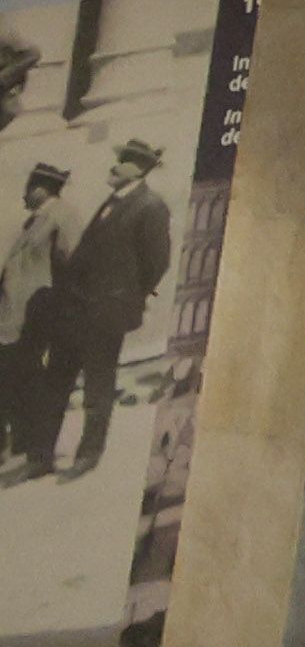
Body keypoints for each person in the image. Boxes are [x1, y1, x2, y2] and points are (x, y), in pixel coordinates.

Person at [60, 139, 177, 478]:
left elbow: (157, 262)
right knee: (67, 374)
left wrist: (125, 295)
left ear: (138, 169)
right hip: (82, 304)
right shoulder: (112, 201)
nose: (114, 166)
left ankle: (88, 453)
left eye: (122, 161)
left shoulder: (150, 206)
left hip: (109, 308)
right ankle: (39, 454)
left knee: (99, 378)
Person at [0, 160, 70, 481]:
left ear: (40, 190)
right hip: (15, 318)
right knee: (14, 379)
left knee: (29, 382)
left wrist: (53, 307)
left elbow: (70, 264)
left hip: (36, 315)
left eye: (27, 190)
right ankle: (25, 446)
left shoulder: (60, 217)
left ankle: (38, 455)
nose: (23, 197)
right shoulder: (37, 221)